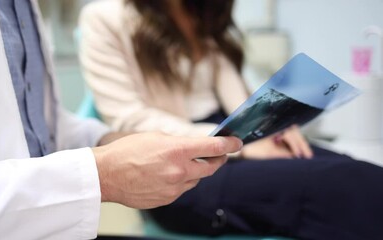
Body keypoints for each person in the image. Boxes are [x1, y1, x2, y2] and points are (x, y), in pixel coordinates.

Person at [80, 0, 383, 239]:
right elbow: (127, 119)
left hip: (233, 136)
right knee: (341, 183)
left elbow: (236, 97)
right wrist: (234, 144)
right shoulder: (103, 17)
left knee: (351, 167)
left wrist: (272, 126)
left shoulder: (200, 12)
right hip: (180, 162)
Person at [0, 1, 243, 239]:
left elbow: (43, 128)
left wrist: (108, 141)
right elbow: (128, 116)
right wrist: (102, 173)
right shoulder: (107, 17)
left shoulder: (21, 8)